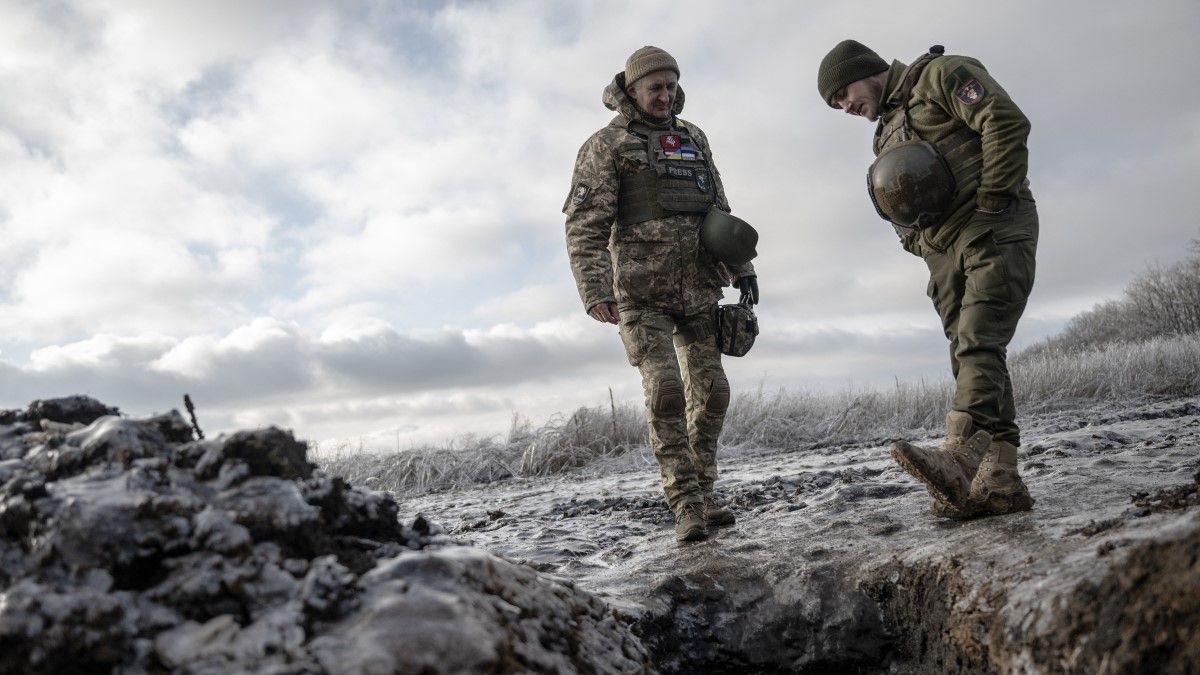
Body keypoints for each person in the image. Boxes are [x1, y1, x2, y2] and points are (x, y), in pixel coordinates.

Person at [816, 40, 1036, 518]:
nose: (845, 106)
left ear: (866, 70)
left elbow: (1004, 121)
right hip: (942, 250)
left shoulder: (941, 75)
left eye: (843, 93)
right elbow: (892, 201)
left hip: (990, 227)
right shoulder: (885, 135)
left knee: (979, 340)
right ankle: (999, 480)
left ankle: (959, 456)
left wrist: (995, 197)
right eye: (835, 104)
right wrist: (918, 244)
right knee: (972, 354)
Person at [564, 46, 758, 542]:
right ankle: (685, 503)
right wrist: (594, 291)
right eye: (656, 87)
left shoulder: (693, 138)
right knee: (667, 392)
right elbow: (585, 225)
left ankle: (705, 492)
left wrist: (742, 269)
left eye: (671, 86)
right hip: (638, 292)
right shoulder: (605, 145)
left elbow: (720, 211)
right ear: (632, 90)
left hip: (698, 284)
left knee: (714, 393)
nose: (665, 95)